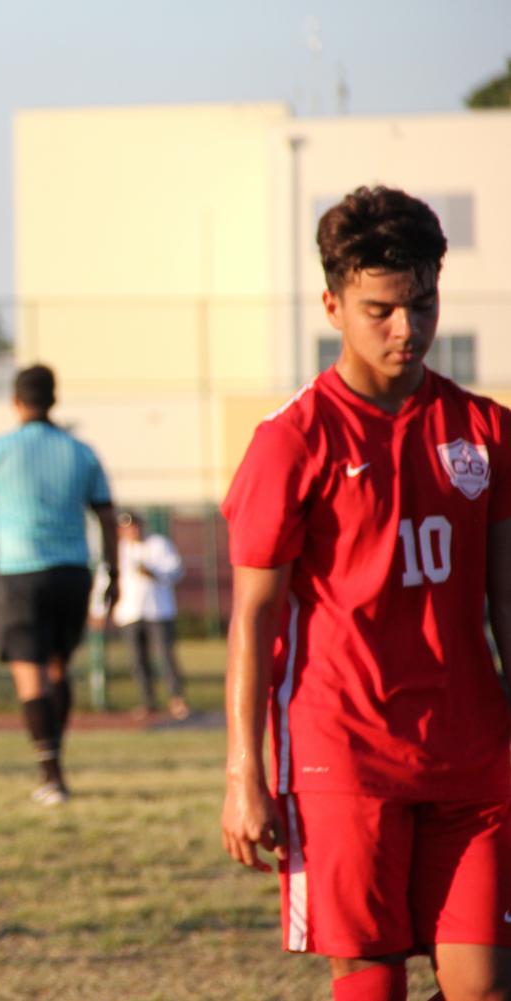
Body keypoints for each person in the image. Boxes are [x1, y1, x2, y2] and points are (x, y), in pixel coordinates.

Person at [220, 185, 511, 1001]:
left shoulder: (482, 430)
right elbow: (251, 616)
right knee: (371, 982)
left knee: (483, 982)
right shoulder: (291, 440)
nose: (405, 328)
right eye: (380, 307)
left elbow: (506, 601)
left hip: (472, 752)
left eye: (421, 304)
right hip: (342, 752)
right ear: (332, 303)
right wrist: (244, 772)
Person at [0, 364, 118, 806]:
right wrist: (113, 573)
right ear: (54, 399)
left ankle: (51, 777)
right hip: (72, 573)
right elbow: (105, 514)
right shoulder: (81, 452)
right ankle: (56, 761)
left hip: (21, 574)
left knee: (30, 678)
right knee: (58, 669)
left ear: (15, 401)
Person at [100, 511, 188, 721]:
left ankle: (177, 699)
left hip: (159, 611)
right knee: (138, 660)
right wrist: (99, 610)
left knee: (166, 657)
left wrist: (154, 573)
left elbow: (176, 571)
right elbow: (104, 581)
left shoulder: (158, 544)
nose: (130, 531)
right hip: (129, 613)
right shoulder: (116, 550)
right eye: (125, 527)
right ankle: (148, 702)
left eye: (133, 526)